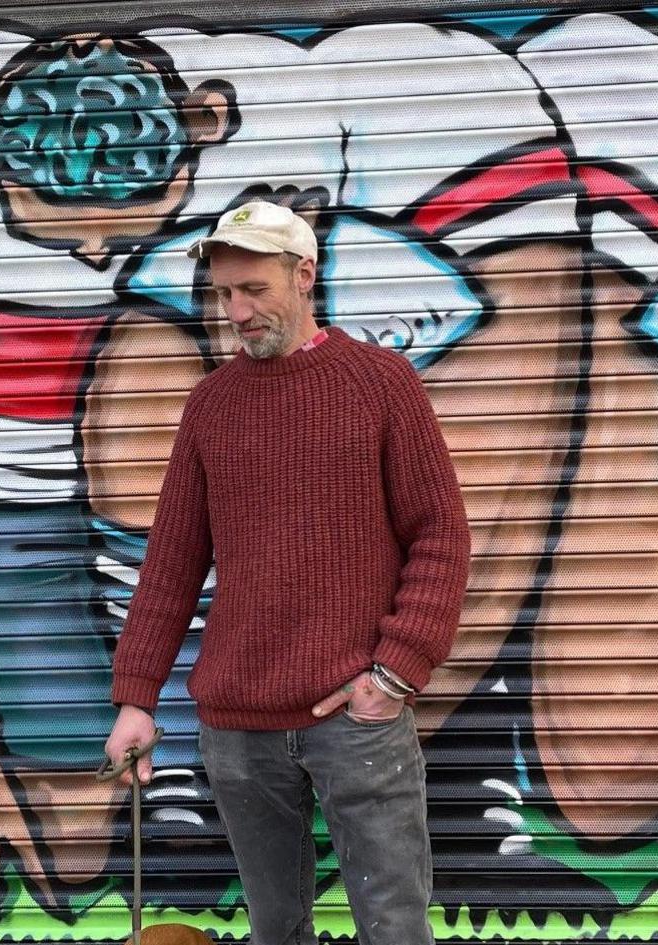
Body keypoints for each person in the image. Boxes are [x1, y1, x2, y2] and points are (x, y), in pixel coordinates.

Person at [103, 199, 471, 945]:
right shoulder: (212, 405)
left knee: (395, 926)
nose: (236, 310)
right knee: (275, 930)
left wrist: (395, 672)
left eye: (254, 289)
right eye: (224, 293)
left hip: (354, 718)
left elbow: (440, 534)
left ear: (306, 274)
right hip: (238, 729)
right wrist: (135, 698)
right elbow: (172, 563)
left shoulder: (380, 383)